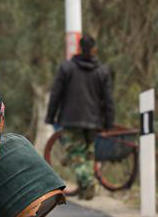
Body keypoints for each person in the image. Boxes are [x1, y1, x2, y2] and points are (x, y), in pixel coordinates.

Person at [45, 35, 114, 200]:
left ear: (79, 48)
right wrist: (108, 122)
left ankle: (88, 184)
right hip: (94, 120)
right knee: (88, 155)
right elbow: (108, 99)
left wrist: (51, 115)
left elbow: (56, 94)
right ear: (94, 49)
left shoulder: (67, 68)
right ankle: (85, 191)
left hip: (71, 119)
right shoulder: (102, 71)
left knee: (75, 156)